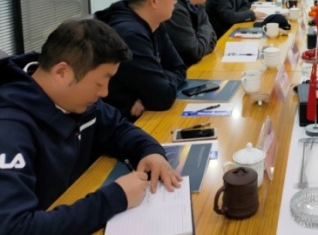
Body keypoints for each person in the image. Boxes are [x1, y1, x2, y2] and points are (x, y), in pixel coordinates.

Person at [0, 19, 183, 235]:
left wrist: (150, 151)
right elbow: (14, 228)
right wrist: (115, 198)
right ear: (61, 73)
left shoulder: (75, 100)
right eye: (99, 82)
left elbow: (119, 129)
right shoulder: (9, 129)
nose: (104, 92)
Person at [95, 0, 187, 121]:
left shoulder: (155, 24)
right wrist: (156, 88)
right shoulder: (129, 35)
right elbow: (163, 97)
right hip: (119, 120)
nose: (175, 1)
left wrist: (154, 89)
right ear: (154, 0)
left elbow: (179, 68)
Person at [164, 0, 217, 66]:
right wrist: (205, 26)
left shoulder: (198, 4)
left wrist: (201, 44)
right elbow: (195, 53)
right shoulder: (175, 9)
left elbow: (213, 40)